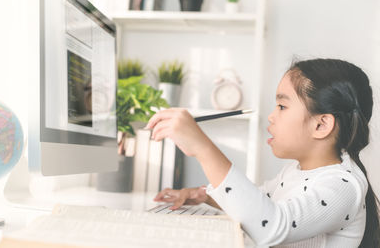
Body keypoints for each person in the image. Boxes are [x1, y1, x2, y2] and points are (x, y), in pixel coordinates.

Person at [146, 59, 380, 247]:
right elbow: (260, 202)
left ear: (321, 125)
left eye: (282, 106)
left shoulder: (343, 186)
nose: (271, 116)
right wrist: (203, 196)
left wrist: (203, 148)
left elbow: (271, 225)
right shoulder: (297, 171)